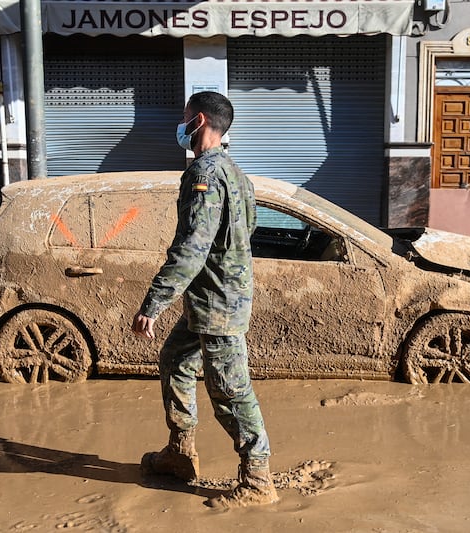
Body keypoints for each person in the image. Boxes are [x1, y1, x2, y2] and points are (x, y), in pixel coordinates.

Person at [131, 91, 278, 509]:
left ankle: (257, 479)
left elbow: (192, 247)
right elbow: (245, 230)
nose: (179, 127)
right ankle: (180, 453)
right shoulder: (236, 172)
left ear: (197, 122)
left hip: (218, 304)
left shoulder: (207, 175)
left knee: (230, 390)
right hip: (210, 299)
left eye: (183, 119)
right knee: (175, 360)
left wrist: (153, 303)